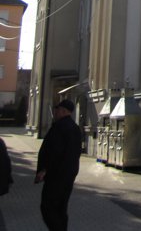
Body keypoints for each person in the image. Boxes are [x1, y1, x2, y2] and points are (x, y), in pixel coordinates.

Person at [35, 99, 82, 231]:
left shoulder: (59, 127)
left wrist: (44, 169)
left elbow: (53, 151)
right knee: (61, 208)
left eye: (58, 109)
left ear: (63, 111)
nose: (55, 112)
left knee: (48, 207)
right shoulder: (75, 128)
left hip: (56, 175)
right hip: (69, 175)